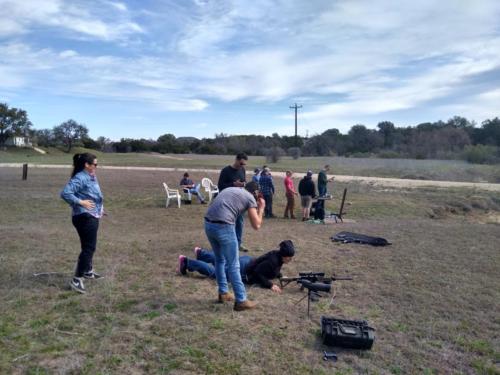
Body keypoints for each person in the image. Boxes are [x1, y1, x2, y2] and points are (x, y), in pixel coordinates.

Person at [204, 181, 265, 311]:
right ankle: (241, 300)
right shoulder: (250, 198)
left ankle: (223, 293)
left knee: (220, 260)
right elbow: (257, 225)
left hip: (208, 224)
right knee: (234, 264)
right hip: (224, 226)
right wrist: (261, 208)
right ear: (255, 192)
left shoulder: (232, 189)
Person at [178, 240, 295, 293]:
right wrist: (270, 285)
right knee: (216, 272)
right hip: (243, 270)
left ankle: (201, 253)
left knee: (223, 262)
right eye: (289, 257)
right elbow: (257, 273)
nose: (290, 259)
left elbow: (271, 270)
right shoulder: (273, 262)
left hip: (246, 261)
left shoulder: (277, 256)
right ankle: (186, 262)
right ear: (284, 256)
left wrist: (279, 275)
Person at [60, 153, 104, 294]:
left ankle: (88, 271)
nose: (96, 167)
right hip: (84, 217)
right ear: (87, 164)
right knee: (89, 248)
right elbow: (65, 193)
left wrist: (100, 208)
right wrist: (81, 202)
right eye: (95, 164)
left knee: (88, 246)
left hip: (91, 214)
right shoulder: (81, 177)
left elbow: (93, 194)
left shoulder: (90, 175)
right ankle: (77, 279)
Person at [217, 153, 248, 251]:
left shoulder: (242, 170)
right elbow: (220, 186)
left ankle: (238, 244)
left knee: (239, 223)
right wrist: (233, 184)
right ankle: (226, 244)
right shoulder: (226, 171)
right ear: (236, 160)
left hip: (239, 201)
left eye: (244, 164)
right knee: (228, 224)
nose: (242, 166)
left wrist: (243, 184)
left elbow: (244, 183)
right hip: (228, 202)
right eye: (241, 163)